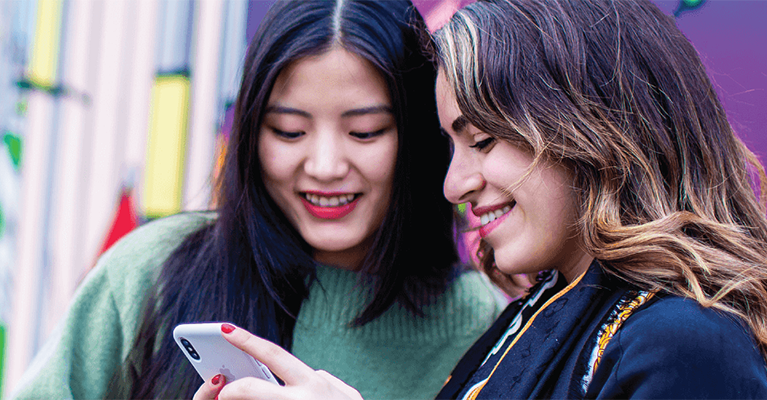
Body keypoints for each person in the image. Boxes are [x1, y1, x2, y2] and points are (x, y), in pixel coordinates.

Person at [191, 0, 767, 399]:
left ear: (598, 128)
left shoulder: (690, 342)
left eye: (483, 139)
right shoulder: (536, 309)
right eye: (450, 144)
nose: (453, 183)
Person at [10, 1, 505, 399]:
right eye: (289, 131)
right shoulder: (152, 271)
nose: (325, 165)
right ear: (251, 135)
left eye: (364, 131)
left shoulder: (476, 322)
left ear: (419, 136)